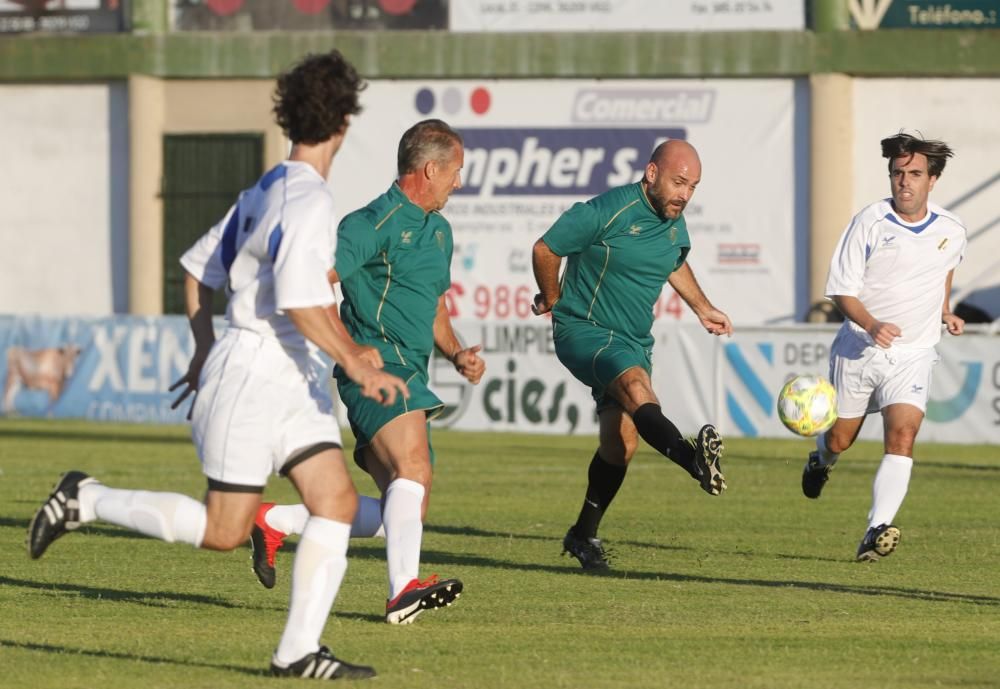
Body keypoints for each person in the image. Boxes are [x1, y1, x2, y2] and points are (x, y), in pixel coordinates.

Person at [26, 50, 410, 679]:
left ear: (290, 120)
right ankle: (86, 499)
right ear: (343, 121)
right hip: (257, 378)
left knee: (336, 502)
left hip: (284, 379)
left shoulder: (265, 189)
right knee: (223, 531)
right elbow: (297, 298)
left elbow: (195, 269)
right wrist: (357, 363)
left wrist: (205, 344)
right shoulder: (309, 200)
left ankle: (298, 652)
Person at [250, 118, 485, 624]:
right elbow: (313, 283)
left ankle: (272, 520)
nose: (459, 183)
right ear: (430, 169)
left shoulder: (439, 231)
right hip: (379, 369)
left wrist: (456, 353)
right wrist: (351, 353)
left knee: (402, 512)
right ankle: (402, 593)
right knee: (414, 470)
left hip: (411, 371)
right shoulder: (370, 224)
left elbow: (434, 306)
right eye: (456, 172)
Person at [531, 139, 733, 571]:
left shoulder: (673, 220)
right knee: (635, 386)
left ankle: (583, 534)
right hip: (584, 330)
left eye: (693, 187)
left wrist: (703, 308)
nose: (684, 194)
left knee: (620, 444)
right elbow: (545, 249)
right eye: (679, 182)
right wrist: (551, 298)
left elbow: (673, 261)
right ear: (652, 173)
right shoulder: (608, 211)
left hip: (634, 339)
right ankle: (691, 459)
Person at [802, 133, 966, 562]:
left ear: (933, 180)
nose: (904, 182)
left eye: (914, 174)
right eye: (897, 174)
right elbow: (840, 291)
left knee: (903, 435)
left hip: (914, 354)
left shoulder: (952, 229)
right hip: (859, 347)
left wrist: (944, 309)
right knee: (840, 438)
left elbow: (945, 266)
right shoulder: (869, 222)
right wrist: (872, 324)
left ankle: (876, 529)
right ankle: (821, 461)